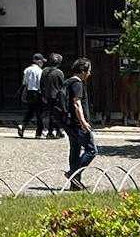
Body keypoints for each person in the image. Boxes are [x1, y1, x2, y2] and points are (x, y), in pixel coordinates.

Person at [65, 57, 98, 189]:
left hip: (69, 123)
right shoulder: (77, 83)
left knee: (75, 151)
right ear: (83, 71)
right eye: (89, 71)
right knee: (91, 150)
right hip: (78, 124)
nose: (89, 73)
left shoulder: (68, 82)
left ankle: (75, 185)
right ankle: (73, 174)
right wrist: (83, 122)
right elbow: (77, 104)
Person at [18, 53, 46, 138]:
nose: (42, 63)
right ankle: (39, 133)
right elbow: (40, 83)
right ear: (39, 61)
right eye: (42, 61)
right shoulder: (40, 71)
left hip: (29, 92)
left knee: (31, 110)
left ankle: (23, 125)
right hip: (37, 92)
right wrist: (43, 94)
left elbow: (24, 83)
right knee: (39, 113)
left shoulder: (27, 70)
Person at [39, 54, 67, 139]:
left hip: (47, 95)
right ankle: (56, 131)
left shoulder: (44, 71)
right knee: (57, 114)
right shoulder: (59, 72)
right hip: (57, 96)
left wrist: (43, 95)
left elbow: (41, 84)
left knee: (50, 113)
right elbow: (62, 86)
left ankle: (51, 131)